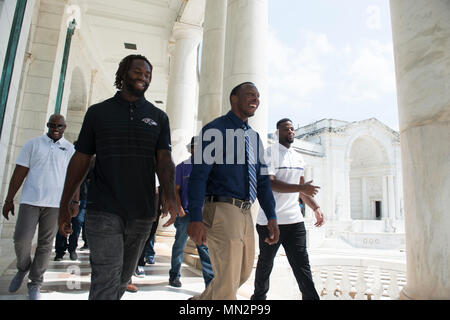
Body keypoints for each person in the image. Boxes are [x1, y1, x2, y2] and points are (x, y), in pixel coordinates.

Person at [57, 54, 178, 300]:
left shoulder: (158, 117)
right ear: (122, 74)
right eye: (137, 71)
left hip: (142, 212)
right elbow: (81, 159)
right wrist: (65, 201)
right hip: (103, 208)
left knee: (122, 278)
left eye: (147, 74)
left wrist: (170, 196)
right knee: (106, 276)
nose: (143, 77)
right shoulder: (97, 113)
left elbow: (164, 160)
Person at [187, 82, 280, 300]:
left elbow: (264, 181)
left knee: (242, 272)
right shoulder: (214, 130)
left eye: (257, 96)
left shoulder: (255, 138)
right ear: (234, 98)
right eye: (250, 95)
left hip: (246, 211)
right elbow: (198, 176)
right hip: (222, 209)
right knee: (228, 281)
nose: (255, 99)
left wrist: (272, 216)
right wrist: (195, 217)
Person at [251, 118, 325, 300]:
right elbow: (270, 183)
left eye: (292, 129)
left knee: (302, 265)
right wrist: (301, 188)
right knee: (265, 263)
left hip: (294, 221)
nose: (290, 131)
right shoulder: (268, 154)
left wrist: (315, 207)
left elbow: (301, 188)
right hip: (270, 221)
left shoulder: (299, 157)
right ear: (277, 132)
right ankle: (258, 299)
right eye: (286, 129)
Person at [2, 115, 75, 300]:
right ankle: (22, 267)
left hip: (55, 204)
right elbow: (19, 173)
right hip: (30, 201)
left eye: (59, 125)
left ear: (65, 127)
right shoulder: (32, 144)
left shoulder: (69, 149)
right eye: (52, 125)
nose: (55, 128)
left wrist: (74, 203)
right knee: (21, 239)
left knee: (45, 245)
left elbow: (74, 179)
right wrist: (9, 199)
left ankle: (35, 283)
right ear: (47, 125)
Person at [169, 136, 214, 288]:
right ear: (191, 149)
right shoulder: (182, 167)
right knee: (179, 245)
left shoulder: (209, 167)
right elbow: (176, 190)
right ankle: (174, 275)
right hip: (185, 214)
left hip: (201, 214)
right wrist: (179, 208)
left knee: (204, 248)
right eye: (195, 146)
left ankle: (210, 281)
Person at [54, 141, 90, 261]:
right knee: (63, 221)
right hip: (66, 196)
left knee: (77, 224)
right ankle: (60, 251)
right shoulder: (67, 162)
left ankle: (72, 249)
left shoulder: (88, 162)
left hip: (82, 199)